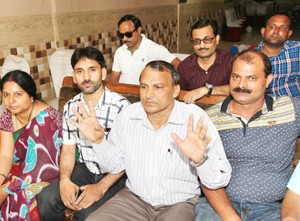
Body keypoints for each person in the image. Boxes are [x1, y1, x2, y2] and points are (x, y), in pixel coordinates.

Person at [69, 60, 232, 221]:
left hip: (179, 204)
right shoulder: (128, 116)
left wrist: (200, 161)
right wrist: (99, 142)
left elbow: (220, 179)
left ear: (176, 90)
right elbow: (113, 166)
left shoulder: (194, 119)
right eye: (144, 86)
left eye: (158, 87)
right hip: (134, 199)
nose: (149, 95)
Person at [194, 49, 300, 221]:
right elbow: (203, 171)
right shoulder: (210, 118)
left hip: (273, 209)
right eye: (236, 77)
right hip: (218, 207)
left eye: (251, 78)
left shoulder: (291, 109)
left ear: (268, 80)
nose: (241, 85)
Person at [36, 46, 130, 221]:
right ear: (74, 76)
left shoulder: (121, 106)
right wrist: (64, 180)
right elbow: (69, 150)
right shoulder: (71, 107)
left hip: (116, 175)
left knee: (85, 214)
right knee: (46, 199)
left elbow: (127, 158)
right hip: (86, 168)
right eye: (80, 71)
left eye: (92, 70)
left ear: (103, 73)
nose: (86, 77)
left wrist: (101, 187)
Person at [0, 70, 62, 221]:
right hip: (22, 166)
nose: (11, 101)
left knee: (18, 197)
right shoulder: (7, 116)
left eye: (18, 94)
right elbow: (6, 155)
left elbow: (42, 166)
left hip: (49, 170)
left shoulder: (46, 118)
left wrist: (7, 189)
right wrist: (1, 179)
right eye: (6, 94)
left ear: (31, 95)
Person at [109, 14, 181, 85]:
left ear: (139, 30)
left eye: (128, 34)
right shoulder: (120, 52)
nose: (124, 38)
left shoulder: (154, 49)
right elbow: (114, 78)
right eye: (121, 35)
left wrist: (166, 85)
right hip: (124, 93)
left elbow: (179, 65)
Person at [177, 19, 234, 104]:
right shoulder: (184, 67)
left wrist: (206, 90)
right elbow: (178, 94)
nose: (202, 45)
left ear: (217, 39)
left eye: (207, 39)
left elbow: (240, 89)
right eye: (196, 41)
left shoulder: (230, 61)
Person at [257, 12, 300, 97]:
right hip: (264, 105)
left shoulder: (297, 49)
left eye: (283, 28)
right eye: (272, 27)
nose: (276, 31)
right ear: (263, 31)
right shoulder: (252, 57)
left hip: (294, 105)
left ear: (289, 33)